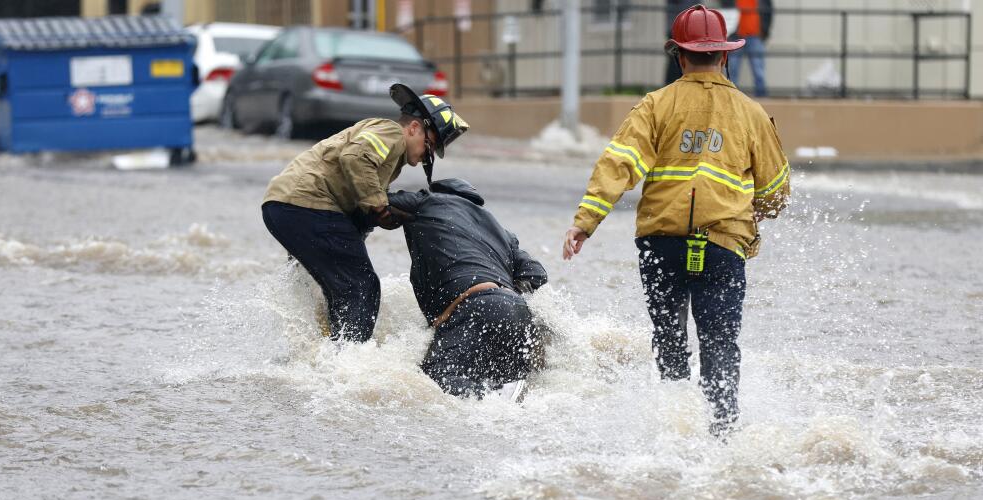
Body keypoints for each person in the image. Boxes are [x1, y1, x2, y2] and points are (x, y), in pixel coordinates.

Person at [562, 4, 790, 436]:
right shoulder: (751, 114)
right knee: (720, 346)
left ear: (680, 56)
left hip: (661, 245)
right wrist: (747, 214)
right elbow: (776, 191)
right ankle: (721, 434)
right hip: (723, 247)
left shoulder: (655, 105)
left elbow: (619, 165)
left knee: (669, 340)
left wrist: (584, 222)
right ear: (724, 56)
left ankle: (673, 430)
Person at [261, 85, 469, 342]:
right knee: (361, 286)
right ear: (414, 128)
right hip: (306, 205)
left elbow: (355, 183)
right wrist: (378, 205)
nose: (428, 155)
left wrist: (378, 214)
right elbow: (355, 157)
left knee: (337, 289)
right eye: (430, 144)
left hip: (288, 206)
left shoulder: (387, 149)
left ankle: (325, 353)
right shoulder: (391, 133)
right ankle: (348, 362)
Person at [387, 178, 548, 398]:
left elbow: (374, 200)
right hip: (516, 311)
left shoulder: (428, 202)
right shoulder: (502, 231)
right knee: (504, 394)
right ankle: (499, 393)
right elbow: (536, 274)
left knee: (433, 378)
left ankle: (490, 395)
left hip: (475, 306)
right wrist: (504, 296)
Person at [723, 0, 773, 97]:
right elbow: (725, 7)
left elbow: (768, 11)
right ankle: (731, 97)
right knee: (732, 69)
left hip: (755, 36)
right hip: (735, 36)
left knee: (758, 70)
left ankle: (762, 97)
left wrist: (765, 31)